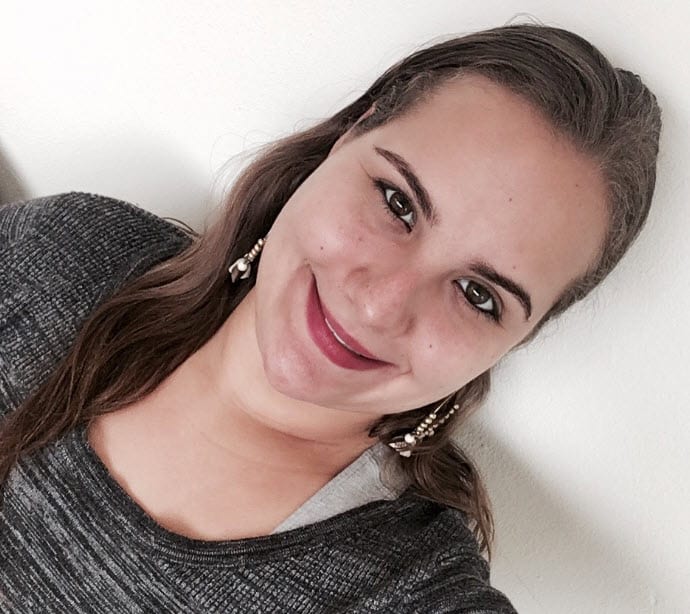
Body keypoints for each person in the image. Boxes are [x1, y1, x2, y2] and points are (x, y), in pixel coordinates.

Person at [0, 22, 660, 614]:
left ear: (515, 341)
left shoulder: (410, 593)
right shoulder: (61, 253)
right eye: (398, 203)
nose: (378, 304)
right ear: (349, 134)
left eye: (478, 295)